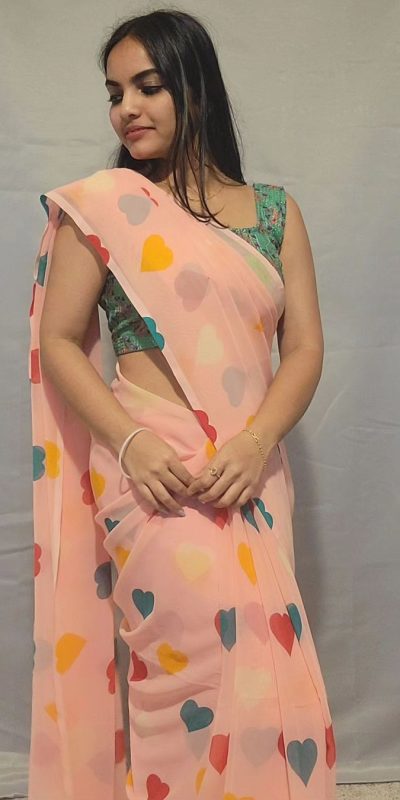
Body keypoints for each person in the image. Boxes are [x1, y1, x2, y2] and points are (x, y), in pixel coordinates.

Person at [28, 8, 336, 800]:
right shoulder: (103, 209)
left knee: (263, 678)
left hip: (250, 473)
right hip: (151, 475)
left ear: (194, 86)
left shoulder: (274, 213)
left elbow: (304, 348)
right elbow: (58, 340)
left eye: (147, 86)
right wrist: (132, 443)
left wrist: (256, 443)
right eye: (114, 93)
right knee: (183, 677)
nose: (126, 108)